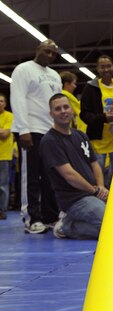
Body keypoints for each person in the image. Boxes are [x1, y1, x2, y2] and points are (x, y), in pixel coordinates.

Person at [10, 39, 62, 234]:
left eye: (53, 54)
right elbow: (18, 99)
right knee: (31, 175)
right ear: (38, 49)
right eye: (47, 51)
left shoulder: (55, 75)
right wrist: (23, 129)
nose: (49, 56)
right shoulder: (23, 69)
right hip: (30, 129)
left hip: (51, 132)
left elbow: (57, 104)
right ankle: (32, 217)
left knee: (51, 176)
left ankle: (50, 216)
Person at [40, 94, 108, 239]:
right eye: (58, 109)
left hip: (93, 194)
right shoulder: (50, 141)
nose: (63, 111)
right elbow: (69, 175)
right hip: (74, 200)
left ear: (72, 109)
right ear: (51, 114)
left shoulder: (81, 135)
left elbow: (94, 164)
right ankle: (66, 227)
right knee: (111, 226)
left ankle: (71, 221)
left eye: (66, 107)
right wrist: (95, 191)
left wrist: (101, 187)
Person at [80, 55, 113, 187]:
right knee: (97, 178)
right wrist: (104, 118)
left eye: (109, 66)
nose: (106, 69)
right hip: (97, 140)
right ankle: (99, 205)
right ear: (97, 69)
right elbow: (84, 114)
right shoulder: (90, 87)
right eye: (102, 67)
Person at [0, 94, 14, 219]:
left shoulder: (10, 116)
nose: (0, 103)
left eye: (2, 101)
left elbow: (5, 134)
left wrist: (3, 131)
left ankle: (2, 211)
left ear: (5, 103)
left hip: (4, 155)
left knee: (3, 185)